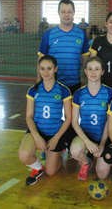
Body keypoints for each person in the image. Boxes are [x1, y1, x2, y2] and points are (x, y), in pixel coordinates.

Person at [37, 0, 89, 157]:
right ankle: (48, 146)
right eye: (63, 11)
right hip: (53, 85)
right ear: (58, 13)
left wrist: (86, 81)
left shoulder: (81, 34)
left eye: (69, 11)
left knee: (72, 118)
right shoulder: (49, 34)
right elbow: (40, 60)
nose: (66, 15)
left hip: (73, 84)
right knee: (52, 117)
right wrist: (39, 83)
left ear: (74, 13)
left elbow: (85, 59)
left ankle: (72, 147)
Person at [18, 55, 72, 185]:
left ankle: (59, 151)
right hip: (37, 131)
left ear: (55, 69)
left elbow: (69, 118)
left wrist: (56, 138)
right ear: (39, 69)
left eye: (49, 68)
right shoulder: (33, 90)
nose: (46, 72)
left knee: (51, 172)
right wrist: (36, 136)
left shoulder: (63, 90)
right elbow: (29, 117)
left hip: (55, 134)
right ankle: (37, 168)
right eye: (42, 69)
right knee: (24, 155)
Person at [70, 57, 112, 181]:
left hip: (103, 138)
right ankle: (86, 163)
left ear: (102, 71)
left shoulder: (109, 93)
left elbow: (110, 122)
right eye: (90, 69)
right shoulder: (79, 94)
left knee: (102, 175)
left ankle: (101, 157)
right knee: (74, 151)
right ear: (85, 71)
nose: (93, 72)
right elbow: (74, 122)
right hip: (86, 137)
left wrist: (101, 144)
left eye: (97, 69)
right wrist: (87, 142)